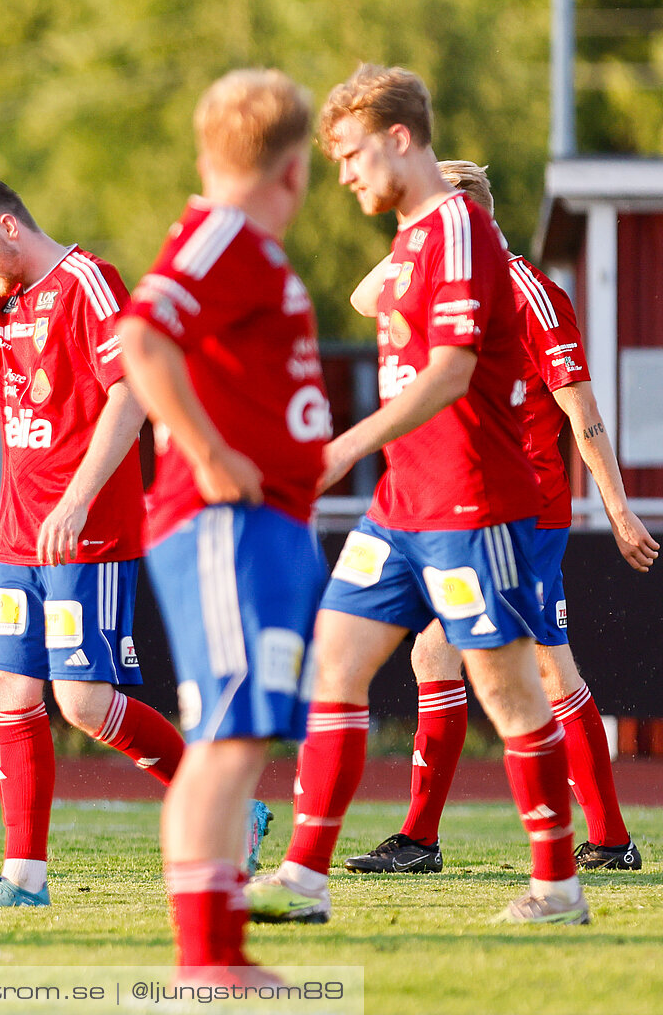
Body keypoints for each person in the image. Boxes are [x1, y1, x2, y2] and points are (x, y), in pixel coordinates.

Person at [246, 64, 589, 926]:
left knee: (510, 695)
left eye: (355, 155)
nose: (346, 175)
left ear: (401, 138)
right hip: (402, 505)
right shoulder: (407, 241)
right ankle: (305, 878)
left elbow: (451, 372)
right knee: (336, 660)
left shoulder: (462, 230)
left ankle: (557, 888)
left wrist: (341, 450)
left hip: (472, 505)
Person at [0, 176, 221, 908]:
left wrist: (77, 501)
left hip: (87, 532)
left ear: (11, 226)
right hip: (17, 537)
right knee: (9, 690)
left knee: (81, 703)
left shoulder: (88, 280)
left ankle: (226, 805)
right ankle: (24, 880)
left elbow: (133, 391)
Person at [339, 160, 655, 876]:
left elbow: (581, 411)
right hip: (469, 507)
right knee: (484, 659)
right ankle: (596, 838)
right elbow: (365, 298)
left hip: (526, 511)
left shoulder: (529, 292)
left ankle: (453, 841)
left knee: (524, 666)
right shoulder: (450, 282)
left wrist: (617, 508)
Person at [116, 68, 330, 979]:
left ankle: (222, 954)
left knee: (245, 735)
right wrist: (204, 453)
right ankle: (205, 963)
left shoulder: (244, 244)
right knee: (224, 736)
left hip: (267, 524)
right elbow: (141, 337)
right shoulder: (221, 234)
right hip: (220, 522)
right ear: (295, 172)